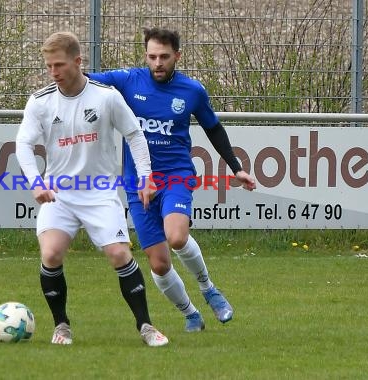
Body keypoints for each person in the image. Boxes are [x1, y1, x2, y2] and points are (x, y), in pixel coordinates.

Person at [87, 27, 256, 331]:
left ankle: (209, 290)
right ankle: (190, 313)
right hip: (138, 183)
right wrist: (66, 70)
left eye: (164, 56)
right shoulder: (128, 81)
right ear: (145, 56)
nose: (158, 63)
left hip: (176, 175)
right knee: (159, 264)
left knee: (177, 236)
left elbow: (213, 128)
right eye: (152, 56)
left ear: (177, 56)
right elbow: (87, 80)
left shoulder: (192, 91)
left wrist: (236, 166)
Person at [15, 31, 168, 346]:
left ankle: (146, 327)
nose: (53, 72)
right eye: (48, 66)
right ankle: (61, 326)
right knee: (52, 253)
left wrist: (145, 176)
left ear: (77, 61)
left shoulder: (106, 96)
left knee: (119, 254)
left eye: (59, 65)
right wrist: (36, 181)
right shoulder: (40, 101)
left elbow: (135, 135)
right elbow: (23, 145)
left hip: (99, 192)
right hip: (59, 193)